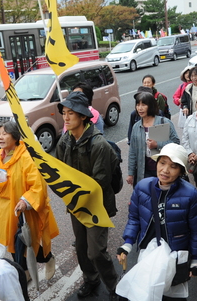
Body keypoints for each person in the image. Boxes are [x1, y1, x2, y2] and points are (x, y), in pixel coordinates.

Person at [117, 143, 197, 301]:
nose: (165, 170)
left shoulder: (191, 194)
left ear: (180, 171)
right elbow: (135, 218)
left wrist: (196, 259)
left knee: (172, 296)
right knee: (147, 293)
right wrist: (128, 243)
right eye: (162, 163)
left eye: (173, 166)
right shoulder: (142, 187)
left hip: (176, 254)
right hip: (148, 252)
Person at [55, 91, 119, 300]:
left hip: (96, 206)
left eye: (71, 113)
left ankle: (114, 286)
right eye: (64, 113)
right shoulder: (64, 141)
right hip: (76, 205)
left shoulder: (98, 144)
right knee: (81, 248)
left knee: (96, 252)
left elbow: (100, 181)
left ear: (83, 116)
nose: (66, 117)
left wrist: (76, 195)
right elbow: (60, 172)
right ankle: (91, 280)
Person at [0, 121, 58, 281]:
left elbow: (38, 186)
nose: (0, 137)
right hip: (0, 215)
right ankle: (25, 274)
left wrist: (25, 201)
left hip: (19, 213)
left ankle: (46, 259)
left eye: (4, 133)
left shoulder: (26, 158)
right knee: (13, 247)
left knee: (25, 245)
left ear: (14, 136)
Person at [127, 91, 180, 187]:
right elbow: (132, 151)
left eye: (143, 104)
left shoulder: (164, 122)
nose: (140, 108)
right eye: (138, 104)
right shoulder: (136, 126)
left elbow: (176, 143)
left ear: (151, 106)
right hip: (143, 171)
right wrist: (131, 173)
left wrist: (157, 144)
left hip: (163, 169)